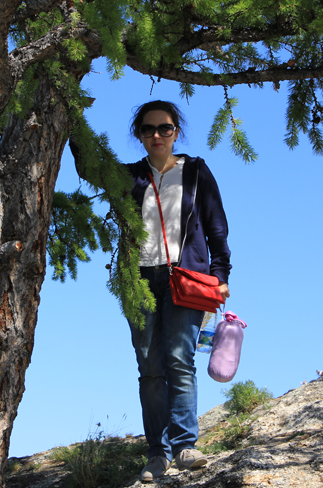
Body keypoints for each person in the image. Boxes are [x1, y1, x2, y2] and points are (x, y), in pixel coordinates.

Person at [125, 100, 231, 483]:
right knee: (149, 367)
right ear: (139, 135)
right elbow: (86, 166)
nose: (157, 135)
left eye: (165, 128)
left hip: (185, 278)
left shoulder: (196, 171)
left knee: (179, 359)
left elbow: (216, 226)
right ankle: (158, 453)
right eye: (148, 129)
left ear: (176, 132)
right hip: (139, 281)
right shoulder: (129, 176)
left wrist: (220, 274)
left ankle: (186, 445)